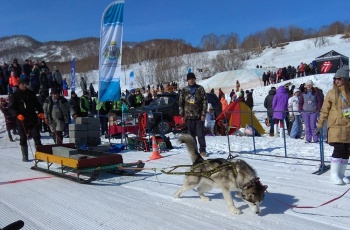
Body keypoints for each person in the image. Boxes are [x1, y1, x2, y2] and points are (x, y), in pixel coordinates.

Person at [316, 66, 350, 185]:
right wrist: (320, 124)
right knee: (339, 149)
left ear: (345, 79)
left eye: (339, 78)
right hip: (336, 126)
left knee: (346, 150)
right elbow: (324, 110)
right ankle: (334, 174)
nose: (336, 81)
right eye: (335, 78)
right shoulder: (331, 93)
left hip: (348, 126)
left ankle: (341, 174)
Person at [8, 79, 45, 161]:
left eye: (26, 84)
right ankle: (25, 156)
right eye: (23, 84)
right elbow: (10, 108)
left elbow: (37, 104)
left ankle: (40, 155)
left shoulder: (31, 93)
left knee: (36, 136)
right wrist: (17, 114)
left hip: (32, 118)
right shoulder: (14, 95)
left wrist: (41, 112)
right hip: (21, 120)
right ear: (19, 85)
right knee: (23, 137)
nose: (25, 85)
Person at [179, 72, 207, 157]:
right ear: (187, 80)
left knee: (200, 134)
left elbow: (205, 102)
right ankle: (194, 151)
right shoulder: (184, 90)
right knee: (191, 136)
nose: (191, 81)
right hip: (189, 117)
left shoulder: (200, 89)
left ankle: (202, 150)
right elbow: (181, 103)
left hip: (199, 116)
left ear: (195, 79)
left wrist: (203, 113)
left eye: (192, 79)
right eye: (189, 79)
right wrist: (182, 115)